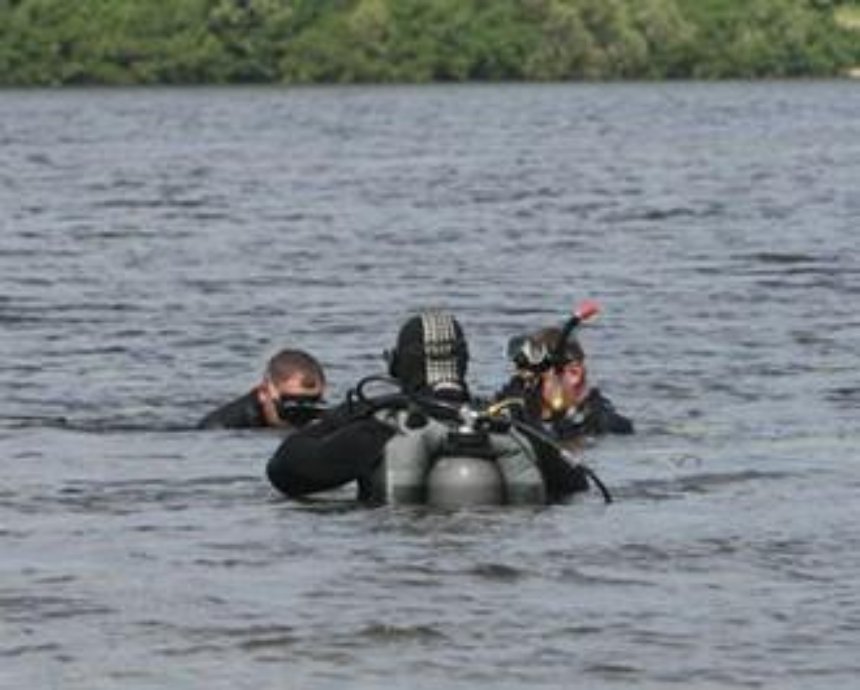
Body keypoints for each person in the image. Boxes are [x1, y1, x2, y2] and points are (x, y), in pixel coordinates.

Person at [266, 310, 591, 503]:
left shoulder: (377, 427)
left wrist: (347, 416)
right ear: (462, 363)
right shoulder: (508, 424)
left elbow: (285, 472)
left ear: (399, 366)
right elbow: (577, 488)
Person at [498, 326, 633, 440]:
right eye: (521, 381)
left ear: (574, 374)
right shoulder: (513, 414)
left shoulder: (610, 429)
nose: (526, 389)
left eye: (535, 380)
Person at [198, 348, 327, 430]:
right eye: (290, 403)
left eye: (312, 402)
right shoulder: (220, 428)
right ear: (264, 394)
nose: (302, 414)